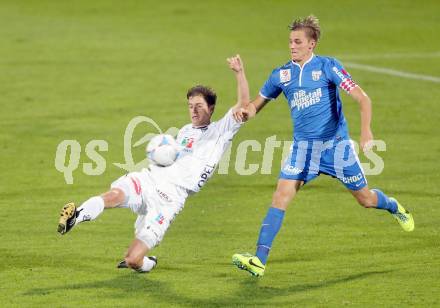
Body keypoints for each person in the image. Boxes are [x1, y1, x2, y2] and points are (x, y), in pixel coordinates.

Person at [232, 15, 414, 277]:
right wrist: (243, 111)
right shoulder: (281, 74)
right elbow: (254, 108)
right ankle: (259, 260)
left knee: (366, 199)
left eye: (297, 42)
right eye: (290, 42)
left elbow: (363, 99)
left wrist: (365, 131)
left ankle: (393, 206)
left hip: (336, 149)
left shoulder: (328, 67)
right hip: (303, 151)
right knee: (280, 197)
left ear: (312, 44)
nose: (292, 46)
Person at [58, 55, 250, 273]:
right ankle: (77, 216)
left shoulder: (220, 131)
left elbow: (244, 104)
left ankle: (147, 263)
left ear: (212, 108)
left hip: (170, 198)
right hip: (151, 178)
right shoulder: (185, 130)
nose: (194, 111)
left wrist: (239, 72)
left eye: (199, 106)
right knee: (115, 194)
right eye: (190, 106)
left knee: (132, 260)